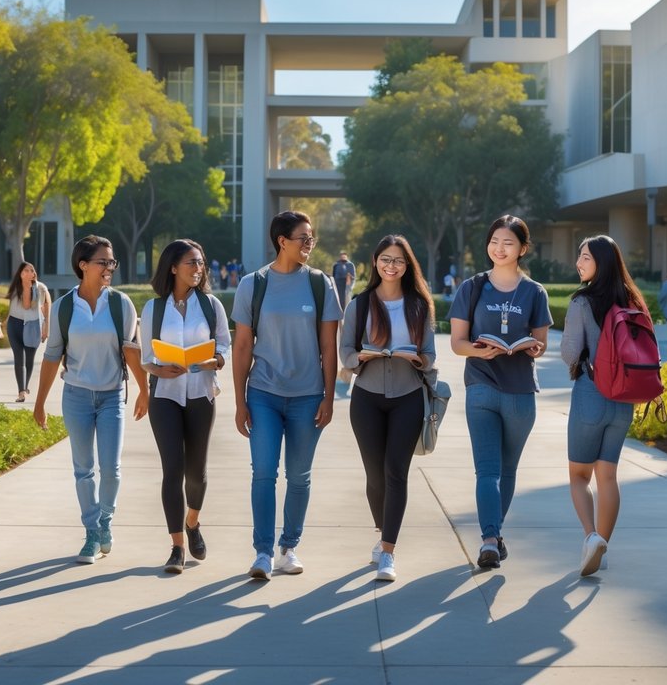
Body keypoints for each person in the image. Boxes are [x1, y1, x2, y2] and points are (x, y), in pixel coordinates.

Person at [232, 210, 341, 580]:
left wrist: (329, 396)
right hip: (263, 392)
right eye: (303, 238)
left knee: (299, 476)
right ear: (282, 241)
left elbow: (329, 344)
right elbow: (243, 345)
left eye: (312, 238)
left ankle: (288, 547)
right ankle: (262, 552)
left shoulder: (319, 283)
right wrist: (239, 401)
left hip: (308, 395)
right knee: (263, 472)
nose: (309, 244)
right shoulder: (253, 284)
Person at [32, 236, 149, 563]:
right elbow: (52, 356)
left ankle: (106, 522)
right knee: (84, 469)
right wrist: (40, 402)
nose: (109, 268)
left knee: (111, 469)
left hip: (111, 395)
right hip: (77, 396)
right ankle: (91, 533)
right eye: (103, 262)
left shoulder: (120, 303)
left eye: (112, 262)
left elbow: (131, 348)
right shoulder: (64, 307)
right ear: (83, 265)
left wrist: (145, 389)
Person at [449, 215, 551, 570]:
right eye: (494, 241)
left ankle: (494, 536)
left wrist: (531, 348)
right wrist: (480, 350)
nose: (499, 248)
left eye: (508, 243)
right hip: (481, 386)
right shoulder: (472, 288)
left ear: (522, 249)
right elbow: (458, 344)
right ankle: (489, 540)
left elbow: (540, 343)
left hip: (521, 391)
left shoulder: (534, 291)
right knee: (488, 470)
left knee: (507, 471)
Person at [339, 234, 436, 582]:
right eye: (385, 259)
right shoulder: (360, 304)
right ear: (375, 261)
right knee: (375, 476)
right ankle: (382, 534)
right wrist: (360, 356)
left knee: (396, 472)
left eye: (397, 260)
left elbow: (430, 355)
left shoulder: (419, 305)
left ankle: (388, 552)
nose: (390, 266)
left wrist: (418, 359)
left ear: (407, 266)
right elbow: (345, 351)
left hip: (408, 397)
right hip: (366, 396)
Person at [561, 235, 650, 577]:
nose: (579, 263)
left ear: (601, 262)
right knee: (608, 476)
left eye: (584, 257)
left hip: (591, 393)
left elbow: (570, 352)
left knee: (579, 476)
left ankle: (591, 537)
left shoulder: (582, 302)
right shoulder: (633, 300)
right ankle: (603, 547)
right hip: (624, 399)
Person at [140, 239, 231, 573]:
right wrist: (157, 368)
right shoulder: (154, 308)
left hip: (200, 392)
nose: (198, 268)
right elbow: (146, 353)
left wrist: (215, 360)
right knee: (172, 470)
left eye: (201, 263)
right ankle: (177, 546)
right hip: (164, 393)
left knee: (196, 471)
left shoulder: (210, 305)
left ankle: (193, 522)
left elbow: (224, 342)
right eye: (192, 262)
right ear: (174, 267)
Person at [7, 261, 51, 403]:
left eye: (31, 270)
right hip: (15, 325)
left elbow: (46, 306)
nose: (28, 273)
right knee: (19, 358)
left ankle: (25, 386)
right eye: (25, 270)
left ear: (34, 274)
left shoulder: (40, 288)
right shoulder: (15, 288)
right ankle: (21, 391)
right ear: (20, 273)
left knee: (30, 359)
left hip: (33, 326)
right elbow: (23, 306)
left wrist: (46, 327)